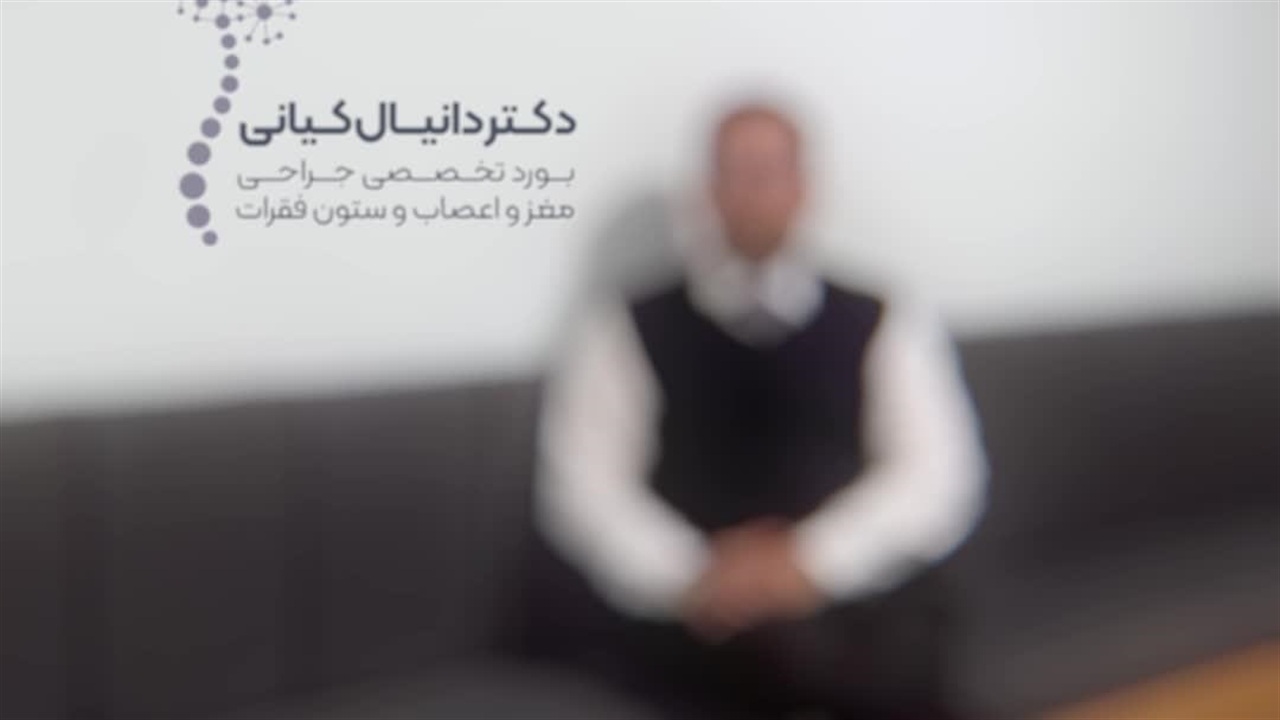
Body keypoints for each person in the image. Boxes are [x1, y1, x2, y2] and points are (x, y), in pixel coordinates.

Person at [532, 100, 988, 720]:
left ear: (803, 187)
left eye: (770, 171)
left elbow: (936, 475)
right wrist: (695, 576)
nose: (753, 192)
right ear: (708, 190)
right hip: (693, 620)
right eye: (736, 171)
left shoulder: (883, 316)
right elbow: (585, 490)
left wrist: (810, 562)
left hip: (852, 605)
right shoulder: (626, 325)